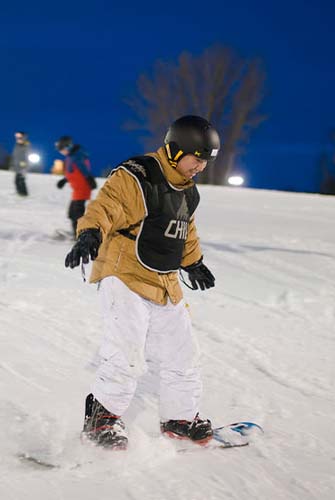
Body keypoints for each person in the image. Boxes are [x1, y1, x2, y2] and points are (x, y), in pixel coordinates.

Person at [63, 115, 220, 451]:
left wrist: (194, 262)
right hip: (125, 273)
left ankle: (180, 417)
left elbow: (184, 230)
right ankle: (101, 419)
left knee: (184, 354)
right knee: (127, 351)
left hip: (164, 280)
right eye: (197, 159)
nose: (200, 167)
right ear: (177, 151)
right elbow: (107, 206)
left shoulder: (188, 192)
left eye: (205, 161)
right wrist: (90, 233)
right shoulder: (139, 175)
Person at [55, 136, 97, 235]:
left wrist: (89, 178)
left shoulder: (77, 156)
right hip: (77, 189)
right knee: (71, 213)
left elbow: (83, 169)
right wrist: (64, 180)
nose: (61, 152)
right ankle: (77, 232)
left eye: (62, 150)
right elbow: (72, 172)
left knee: (76, 214)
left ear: (67, 147)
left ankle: (79, 235)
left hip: (82, 188)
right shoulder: (71, 156)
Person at [10, 131, 30, 197]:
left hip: (23, 167)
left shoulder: (26, 145)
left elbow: (26, 157)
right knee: (16, 181)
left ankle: (24, 194)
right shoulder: (17, 146)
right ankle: (19, 193)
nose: (18, 139)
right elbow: (15, 156)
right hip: (17, 166)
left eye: (19, 138)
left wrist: (24, 166)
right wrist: (12, 164)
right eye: (17, 137)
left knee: (21, 180)